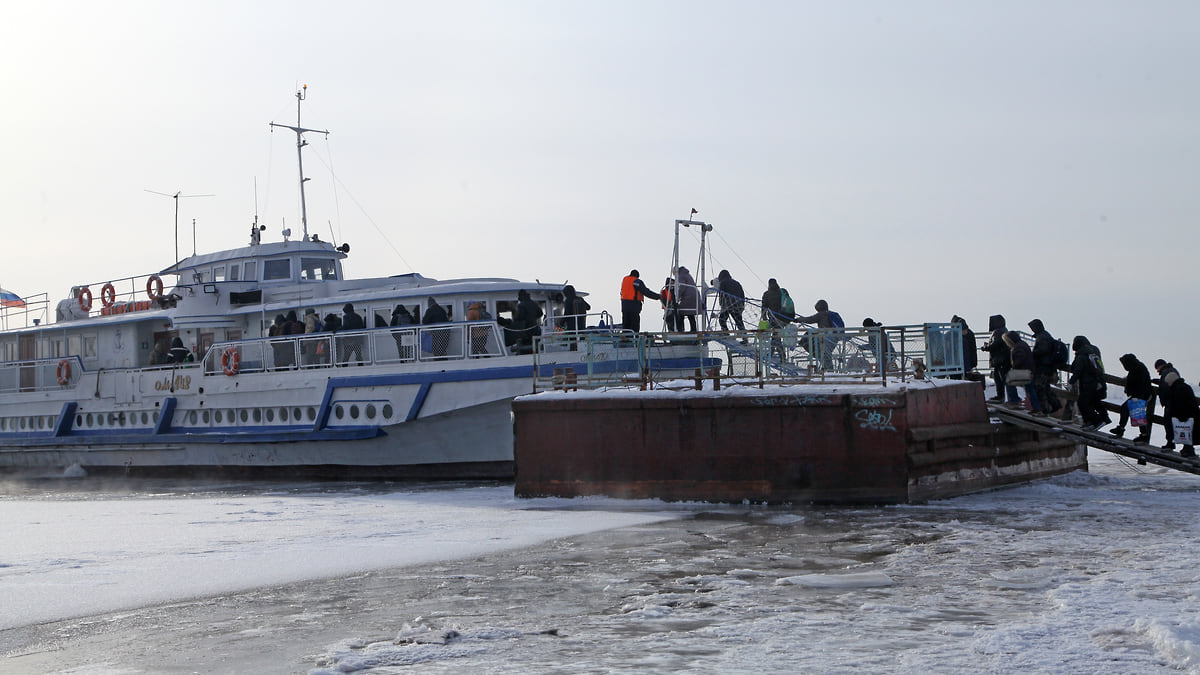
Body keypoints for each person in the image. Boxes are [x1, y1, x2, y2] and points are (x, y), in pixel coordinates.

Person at [1069, 335, 1109, 431]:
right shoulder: (1093, 351)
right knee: (1093, 402)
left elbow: (1077, 369)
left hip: (1088, 383)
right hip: (1098, 381)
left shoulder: (1082, 355)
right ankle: (1100, 420)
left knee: (1082, 403)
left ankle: (1097, 420)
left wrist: (1071, 381)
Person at [1111, 354, 1154, 444]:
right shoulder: (1135, 367)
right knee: (1126, 409)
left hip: (1141, 394)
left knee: (1137, 413)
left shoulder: (1138, 369)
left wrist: (1136, 396)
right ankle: (1121, 429)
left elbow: (1140, 383)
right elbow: (1133, 379)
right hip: (1138, 394)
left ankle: (1143, 435)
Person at [1159, 369, 1198, 458]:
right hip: (1189, 414)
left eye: (1168, 383)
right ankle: (1187, 449)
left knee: (1185, 431)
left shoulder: (1179, 389)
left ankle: (1189, 451)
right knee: (1186, 432)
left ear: (1172, 381)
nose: (1168, 384)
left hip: (1186, 415)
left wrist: (1179, 416)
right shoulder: (1181, 386)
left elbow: (1180, 404)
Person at [980, 315, 1018, 404]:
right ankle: (1006, 397)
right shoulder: (1004, 330)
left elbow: (995, 344)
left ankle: (1009, 399)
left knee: (1003, 380)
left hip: (1000, 360)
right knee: (1001, 379)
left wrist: (986, 347)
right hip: (1003, 360)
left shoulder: (998, 332)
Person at [1027, 319, 1063, 415]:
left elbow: (1043, 350)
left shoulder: (1042, 337)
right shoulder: (1045, 335)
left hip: (1043, 367)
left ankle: (1043, 410)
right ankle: (1055, 404)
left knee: (1038, 388)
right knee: (1045, 388)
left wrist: (1033, 353)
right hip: (1047, 367)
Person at [796, 299, 842, 370]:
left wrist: (800, 319)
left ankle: (828, 370)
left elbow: (810, 319)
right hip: (834, 337)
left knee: (824, 354)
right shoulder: (830, 314)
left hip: (826, 337)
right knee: (826, 354)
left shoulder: (822, 314)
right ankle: (827, 368)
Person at [1004, 331, 1039, 413]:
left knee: (1009, 381)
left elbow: (1020, 359)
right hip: (1028, 371)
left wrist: (1014, 366)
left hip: (1024, 372)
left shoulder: (1018, 347)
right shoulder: (1022, 344)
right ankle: (1036, 408)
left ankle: (1014, 400)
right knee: (1030, 390)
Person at [1154, 359, 1182, 450]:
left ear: (1161, 366)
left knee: (1168, 422)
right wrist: (1159, 381)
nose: (1157, 370)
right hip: (1174, 402)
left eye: (1157, 368)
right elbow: (1168, 382)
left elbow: (1167, 386)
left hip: (1171, 402)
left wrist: (1165, 399)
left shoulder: (1167, 371)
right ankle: (1174, 443)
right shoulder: (1170, 370)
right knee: (1173, 422)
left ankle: (1170, 443)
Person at [675, 266, 700, 332]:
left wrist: (677, 297)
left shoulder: (681, 276)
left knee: (680, 312)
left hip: (688, 297)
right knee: (690, 314)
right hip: (694, 296)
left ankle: (680, 329)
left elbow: (682, 287)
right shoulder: (687, 274)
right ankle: (693, 329)